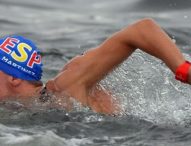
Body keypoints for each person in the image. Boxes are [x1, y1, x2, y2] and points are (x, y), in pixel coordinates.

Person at [0, 18, 190, 115]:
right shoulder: (18, 108)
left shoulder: (65, 87)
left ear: (14, 78)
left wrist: (184, 71)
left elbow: (141, 29)